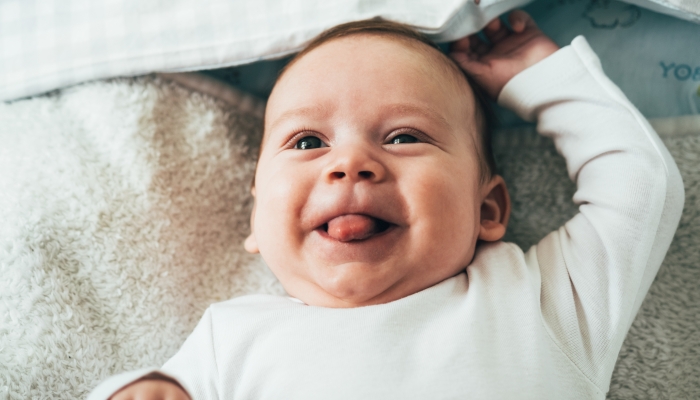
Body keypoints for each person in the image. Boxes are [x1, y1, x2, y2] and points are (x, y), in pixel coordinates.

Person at [90, 10, 684, 400]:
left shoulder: (538, 301)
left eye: (403, 137)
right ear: (254, 218)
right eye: (307, 142)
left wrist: (540, 78)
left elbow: (639, 185)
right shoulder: (231, 339)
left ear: (489, 209)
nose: (350, 164)